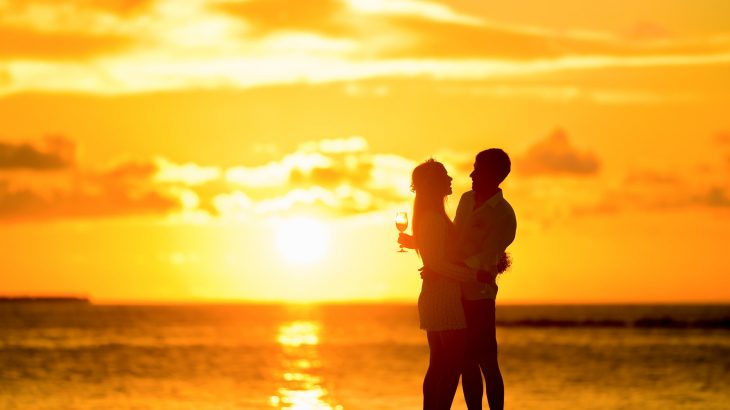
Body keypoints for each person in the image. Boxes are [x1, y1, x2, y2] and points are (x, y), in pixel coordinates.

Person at [402, 149, 516, 410]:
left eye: (478, 169)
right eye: (473, 168)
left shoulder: (504, 214)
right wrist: (431, 257)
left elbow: (488, 253)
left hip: (478, 293)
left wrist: (438, 264)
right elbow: (448, 244)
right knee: (460, 363)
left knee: (485, 361)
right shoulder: (465, 200)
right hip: (451, 292)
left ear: (496, 175)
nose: (471, 174)